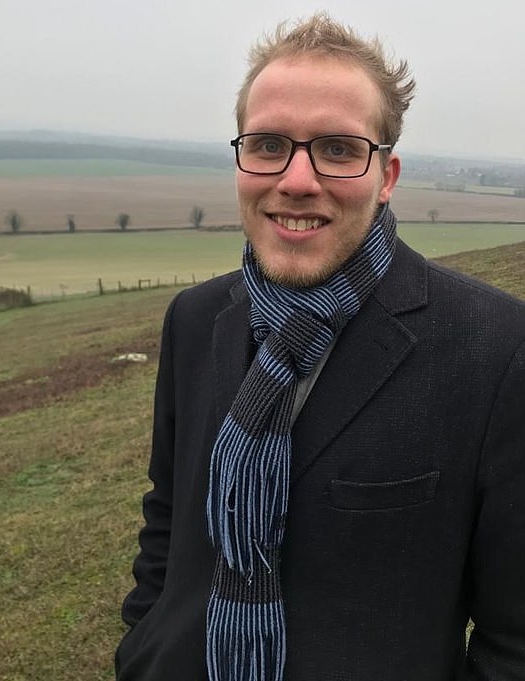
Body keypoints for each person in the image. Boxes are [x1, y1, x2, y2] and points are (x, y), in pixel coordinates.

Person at [116, 12, 525, 681]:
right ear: (242, 158)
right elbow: (168, 523)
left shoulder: (497, 351)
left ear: (386, 175)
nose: (297, 179)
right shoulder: (194, 321)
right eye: (269, 143)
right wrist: (143, 646)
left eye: (337, 149)